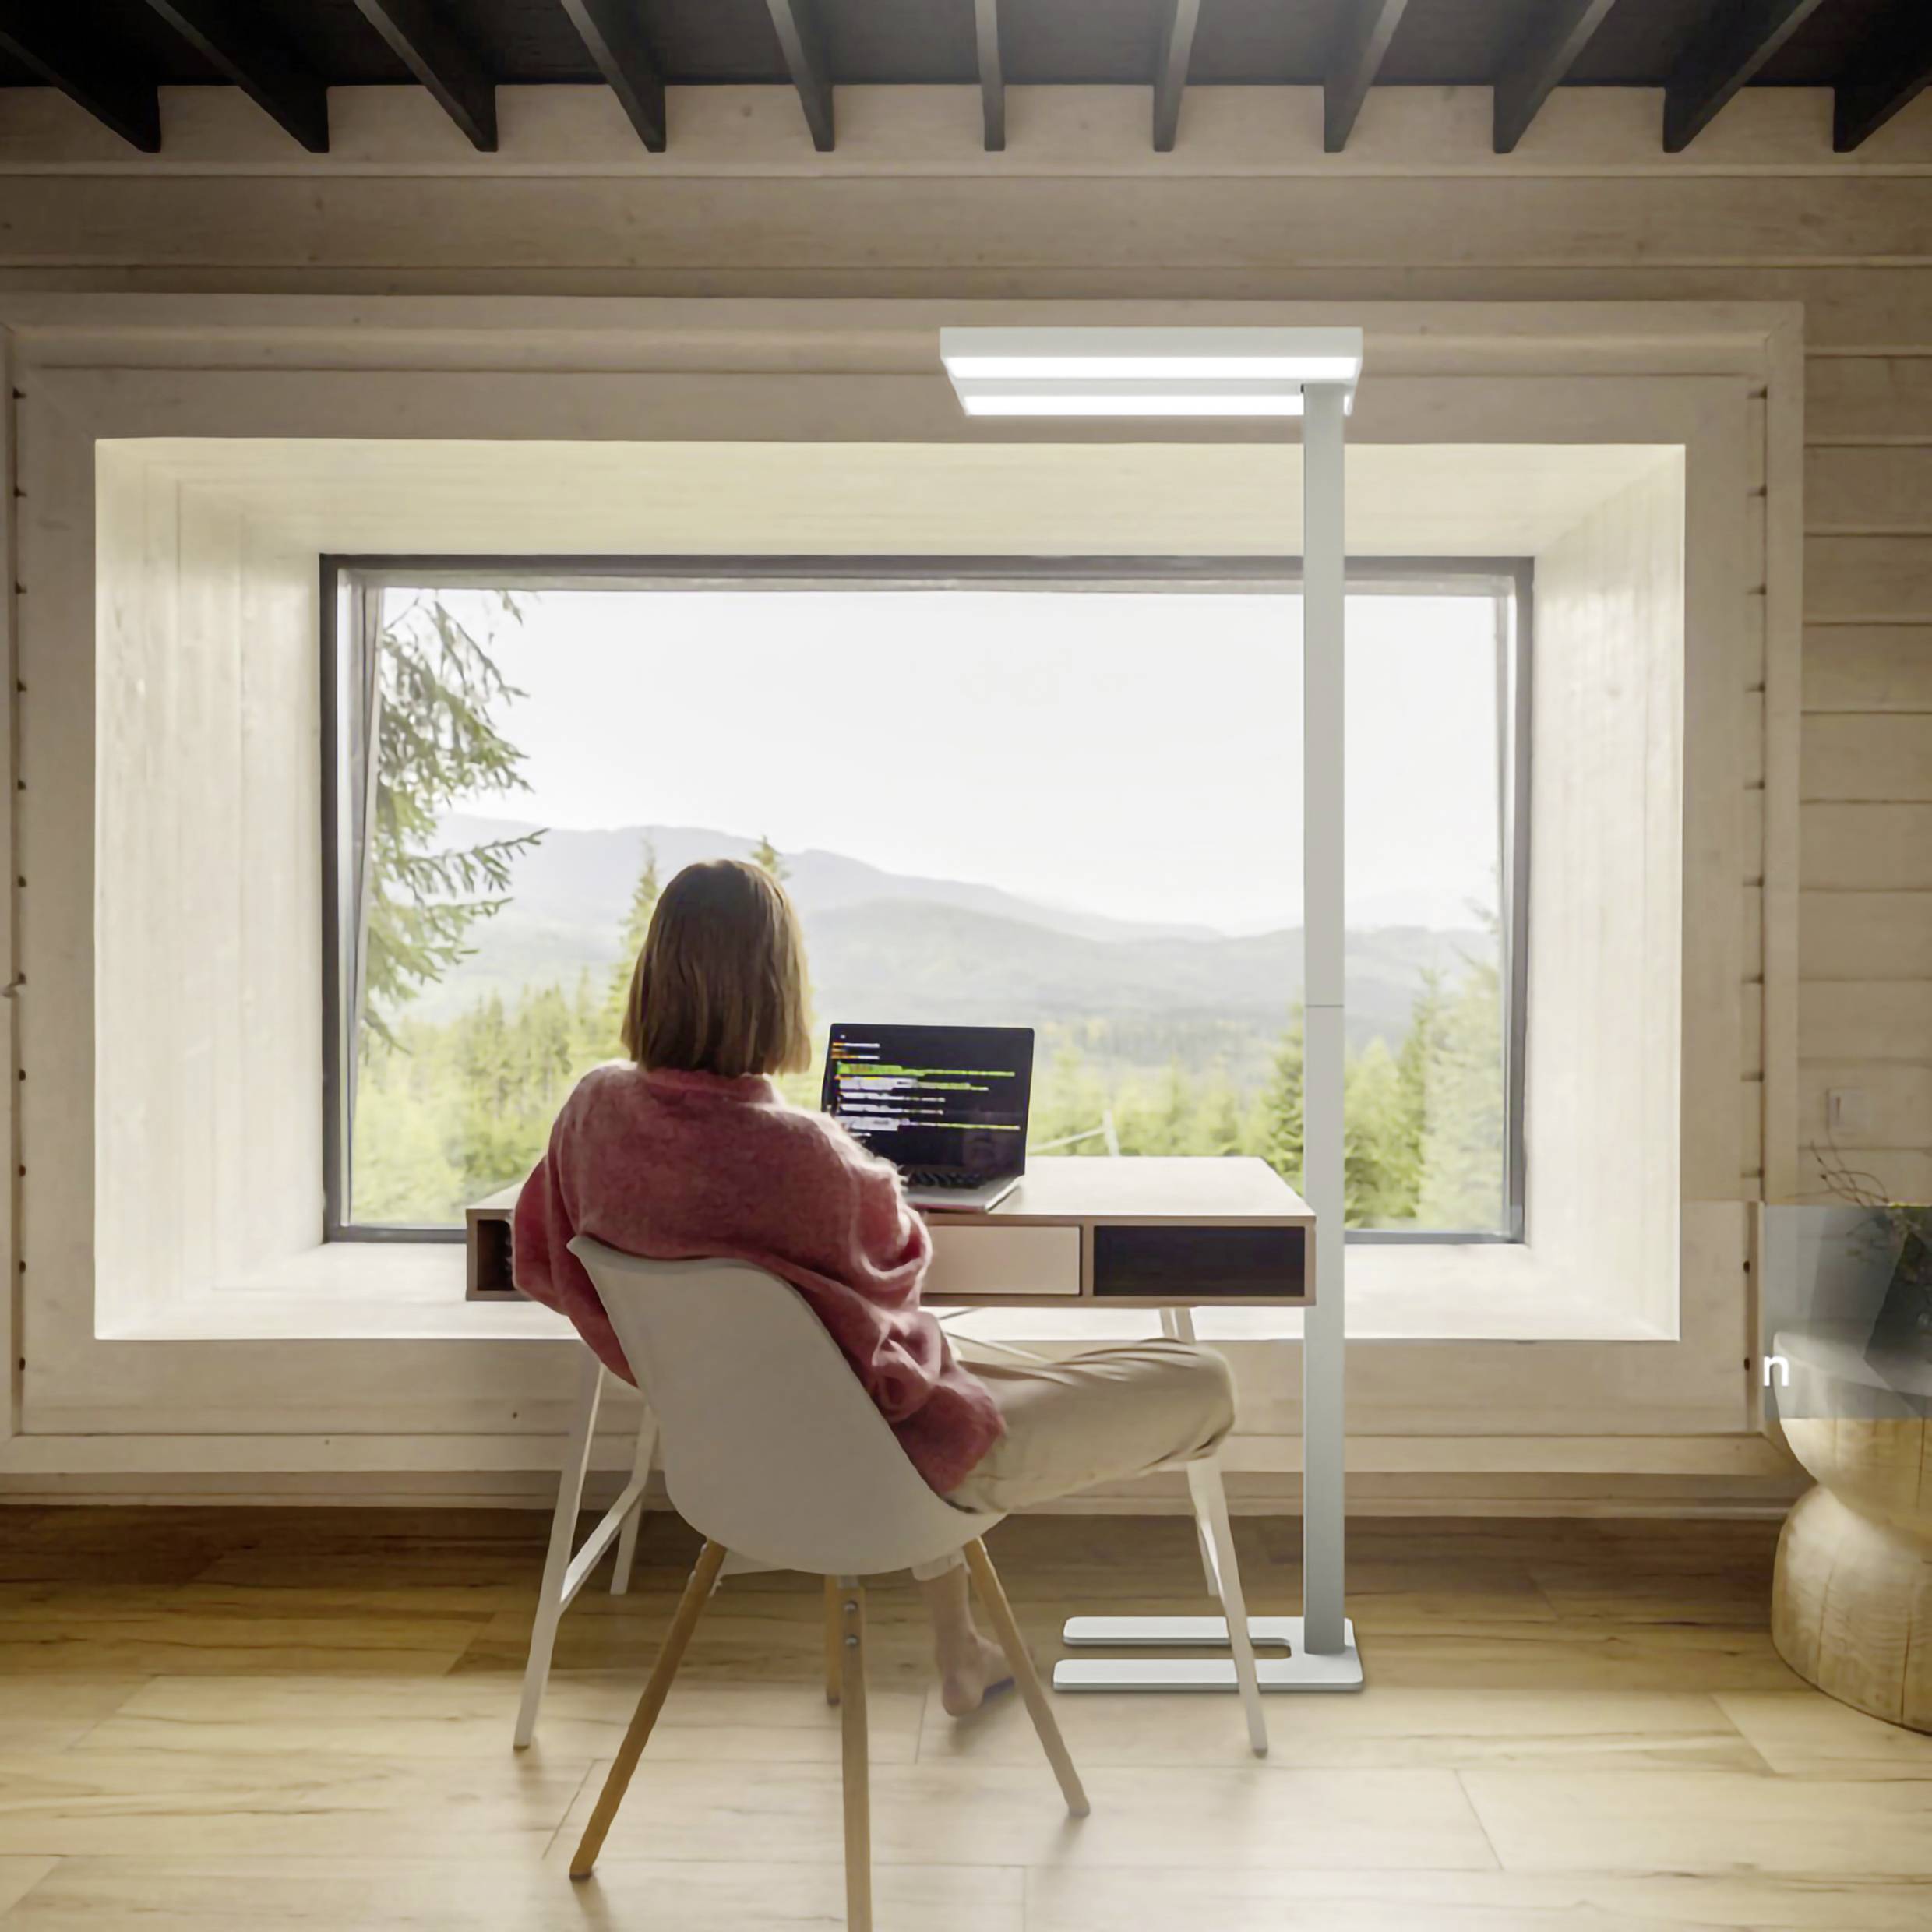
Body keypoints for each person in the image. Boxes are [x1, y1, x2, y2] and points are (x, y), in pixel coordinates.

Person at [514, 858, 1236, 1715]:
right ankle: (966, 1645)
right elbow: (897, 1263)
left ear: (653, 974)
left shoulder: (591, 1109)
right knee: (1201, 1379)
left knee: (892, 1376)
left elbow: (542, 1247)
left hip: (727, 1462)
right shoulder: (810, 1157)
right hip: (886, 1468)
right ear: (779, 986)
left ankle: (958, 1650)